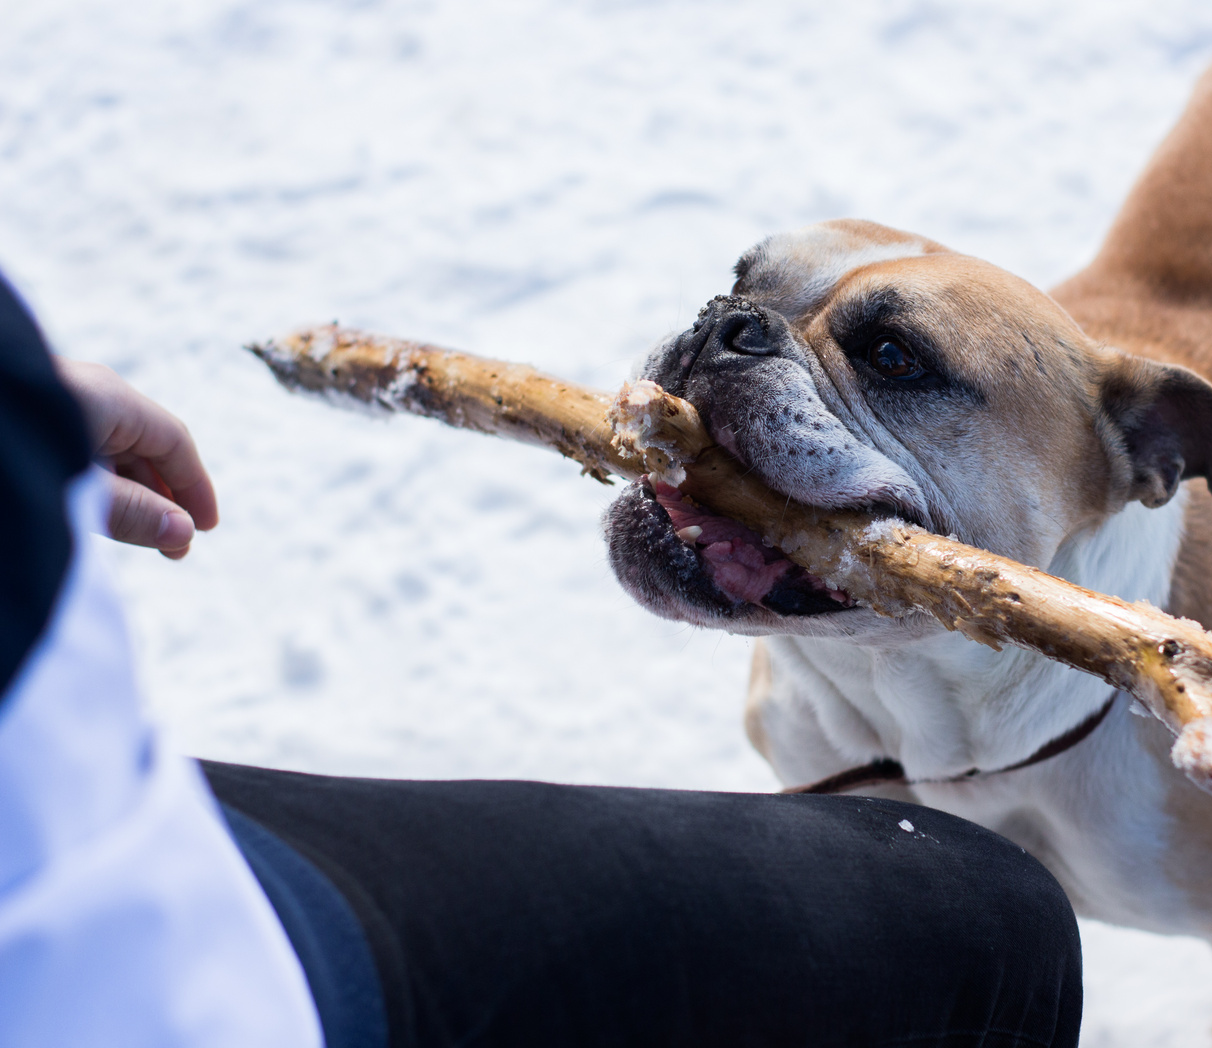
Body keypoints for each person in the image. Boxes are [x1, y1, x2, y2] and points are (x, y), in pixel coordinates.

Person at [0, 272, 1083, 1047]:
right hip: (109, 957)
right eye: (750, 298)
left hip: (67, 811)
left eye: (889, 361)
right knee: (990, 925)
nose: (740, 342)